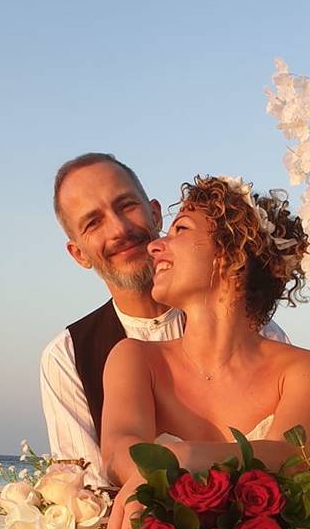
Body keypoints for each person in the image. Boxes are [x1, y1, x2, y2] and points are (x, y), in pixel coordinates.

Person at [102, 175, 310, 529]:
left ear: (232, 255)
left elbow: (292, 460)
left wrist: (175, 459)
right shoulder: (135, 359)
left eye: (181, 230)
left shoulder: (302, 370)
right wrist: (142, 466)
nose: (155, 246)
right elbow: (118, 449)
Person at [40, 154, 288, 486]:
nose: (120, 229)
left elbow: (293, 460)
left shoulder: (257, 332)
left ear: (155, 213)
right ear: (79, 253)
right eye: (93, 223)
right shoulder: (67, 357)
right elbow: (89, 495)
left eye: (126, 205)